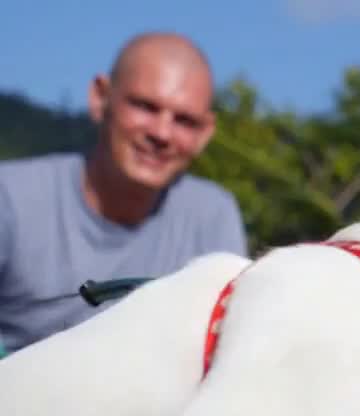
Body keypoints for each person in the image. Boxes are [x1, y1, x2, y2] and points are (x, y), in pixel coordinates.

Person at [0, 31, 248, 356]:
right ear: (100, 98)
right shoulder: (11, 197)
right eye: (145, 106)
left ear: (205, 134)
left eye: (184, 120)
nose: (161, 133)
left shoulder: (214, 216)